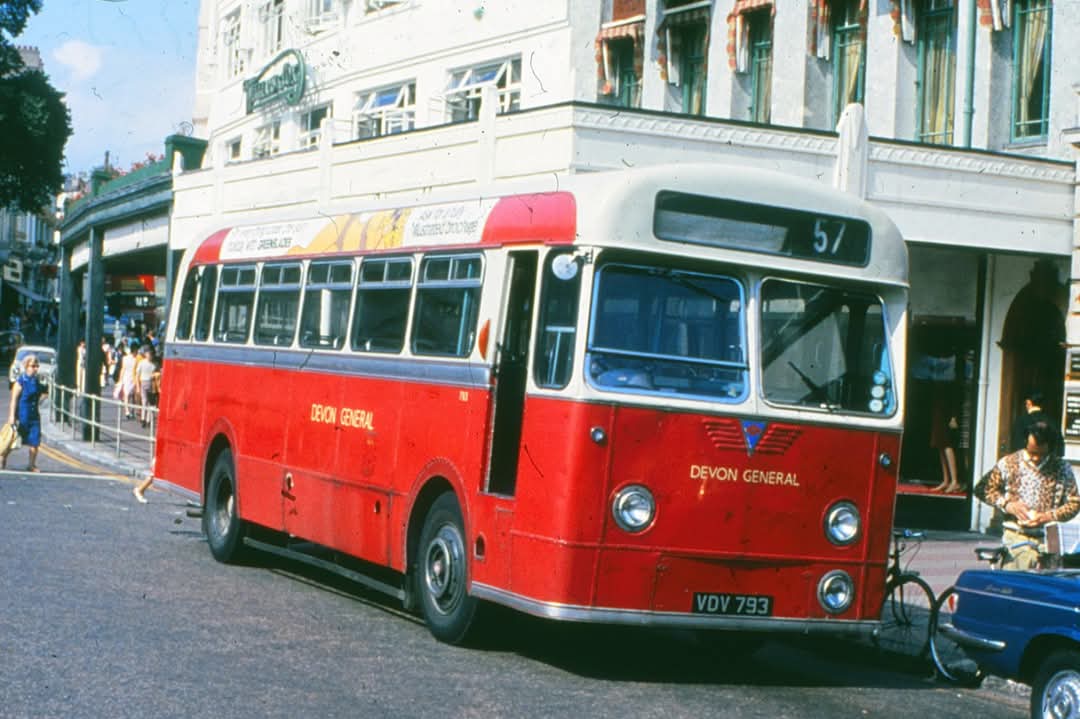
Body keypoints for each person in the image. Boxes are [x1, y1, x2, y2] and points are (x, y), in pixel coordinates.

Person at [977, 420, 1080, 570]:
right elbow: (983, 489)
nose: (1036, 458)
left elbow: (1075, 503)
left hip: (1049, 537)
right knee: (1018, 585)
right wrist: (1007, 504)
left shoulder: (1062, 468)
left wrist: (1049, 516)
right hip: (1016, 536)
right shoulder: (1009, 463)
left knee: (1047, 588)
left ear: (1050, 448)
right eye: (1032, 453)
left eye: (1041, 454)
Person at [2, 354, 44, 471]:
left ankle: (31, 465)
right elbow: (14, 400)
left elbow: (43, 393)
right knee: (14, 440)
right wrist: (12, 417)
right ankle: (3, 456)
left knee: (35, 441)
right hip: (22, 415)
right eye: (33, 366)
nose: (35, 368)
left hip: (34, 415)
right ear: (26, 366)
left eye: (37, 366)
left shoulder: (36, 381)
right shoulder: (20, 382)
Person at [1010, 389, 1062, 456]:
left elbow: (1017, 446)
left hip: (1026, 462)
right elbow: (1060, 450)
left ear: (1028, 402)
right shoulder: (1052, 421)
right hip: (1048, 463)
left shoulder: (1021, 421)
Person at [119, 342, 138, 419]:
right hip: (131, 377)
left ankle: (128, 411)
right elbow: (123, 369)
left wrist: (120, 379)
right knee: (131, 395)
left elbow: (123, 369)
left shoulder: (125, 358)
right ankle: (130, 411)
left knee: (128, 395)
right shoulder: (136, 359)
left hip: (128, 377)